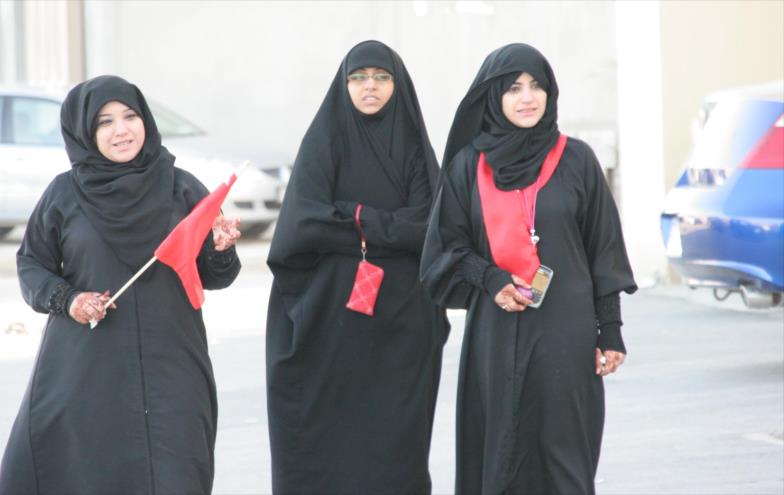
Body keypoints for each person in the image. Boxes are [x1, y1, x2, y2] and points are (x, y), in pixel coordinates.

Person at [0, 75, 241, 494]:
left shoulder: (181, 187)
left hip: (172, 366)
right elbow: (31, 265)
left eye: (130, 116)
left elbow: (215, 275)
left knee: (175, 474)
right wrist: (69, 300)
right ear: (85, 133)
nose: (121, 130)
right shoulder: (64, 194)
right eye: (104, 122)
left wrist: (220, 248)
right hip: (86, 369)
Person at [420, 43, 637, 494]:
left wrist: (610, 329)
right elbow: (446, 247)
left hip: (567, 331)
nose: (527, 97)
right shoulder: (468, 167)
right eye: (514, 87)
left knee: (566, 455)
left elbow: (603, 249)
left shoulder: (577, 160)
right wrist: (490, 278)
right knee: (501, 451)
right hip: (496, 335)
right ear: (493, 97)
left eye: (537, 85)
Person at [266, 40, 449, 494]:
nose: (371, 87)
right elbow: (303, 224)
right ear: (344, 84)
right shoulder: (324, 141)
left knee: (395, 442)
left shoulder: (412, 145)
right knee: (325, 437)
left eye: (382, 77)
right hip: (329, 317)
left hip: (403, 322)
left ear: (397, 83)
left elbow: (430, 226)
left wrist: (355, 216)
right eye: (359, 77)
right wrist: (389, 226)